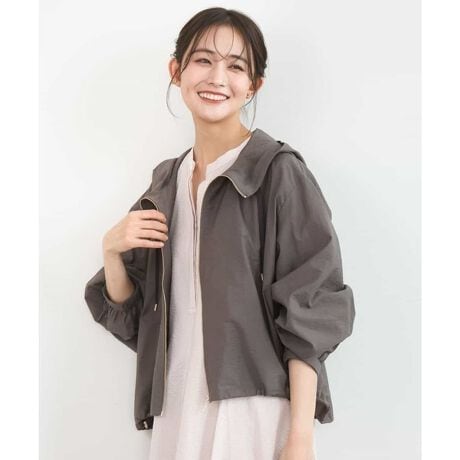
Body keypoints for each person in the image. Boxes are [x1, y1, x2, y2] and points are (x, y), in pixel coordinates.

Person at [84, 7, 356, 460]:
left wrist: (300, 437)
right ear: (176, 71)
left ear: (254, 85)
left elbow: (312, 307)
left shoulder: (278, 172)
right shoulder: (165, 182)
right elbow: (135, 320)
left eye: (236, 66)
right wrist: (111, 251)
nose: (217, 78)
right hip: (175, 412)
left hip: (253, 411)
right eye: (203, 60)